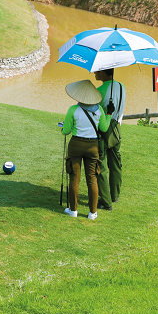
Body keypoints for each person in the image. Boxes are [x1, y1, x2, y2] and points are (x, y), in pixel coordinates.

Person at [60, 79, 110, 220]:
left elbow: (66, 131)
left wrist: (63, 127)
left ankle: (73, 210)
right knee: (92, 179)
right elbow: (104, 128)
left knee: (74, 178)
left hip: (76, 145)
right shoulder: (99, 110)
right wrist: (109, 114)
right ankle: (92, 213)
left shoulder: (73, 109)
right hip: (93, 146)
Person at [95, 69, 126, 208]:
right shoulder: (121, 86)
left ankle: (105, 198)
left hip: (104, 130)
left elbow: (97, 114)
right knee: (115, 164)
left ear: (103, 72)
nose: (94, 73)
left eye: (97, 71)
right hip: (117, 129)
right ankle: (115, 195)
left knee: (100, 165)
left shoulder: (99, 91)